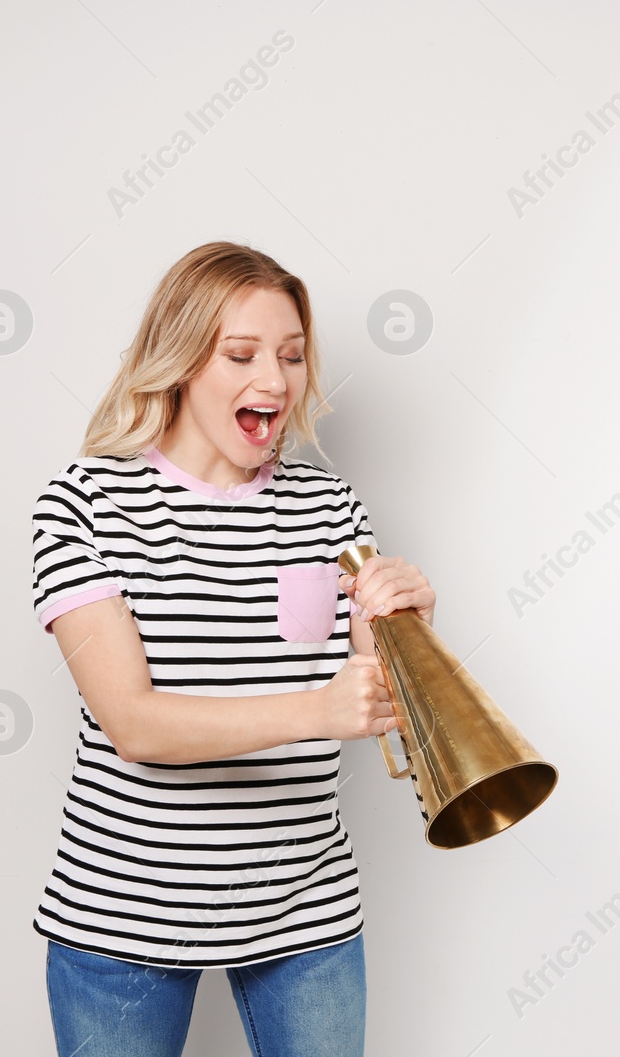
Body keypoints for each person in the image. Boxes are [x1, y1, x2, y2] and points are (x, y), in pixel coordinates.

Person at [29, 241, 435, 1056]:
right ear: (179, 363)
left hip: (307, 910)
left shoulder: (328, 504)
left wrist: (409, 628)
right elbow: (135, 726)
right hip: (122, 915)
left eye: (291, 355)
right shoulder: (84, 503)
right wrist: (319, 709)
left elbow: (382, 684)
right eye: (242, 354)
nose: (277, 381)